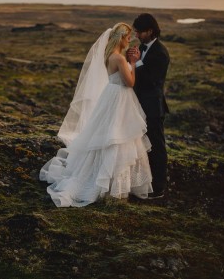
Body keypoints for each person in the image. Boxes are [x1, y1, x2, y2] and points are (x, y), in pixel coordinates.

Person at [40, 23, 153, 207]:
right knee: (117, 137)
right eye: (127, 38)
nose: (129, 41)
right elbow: (130, 82)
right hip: (119, 99)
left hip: (110, 96)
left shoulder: (108, 56)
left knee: (107, 135)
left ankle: (105, 178)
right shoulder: (119, 58)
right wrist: (133, 62)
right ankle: (109, 185)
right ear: (121, 38)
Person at [127, 13, 170, 199]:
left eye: (139, 31)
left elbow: (152, 81)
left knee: (157, 147)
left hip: (153, 108)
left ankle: (158, 187)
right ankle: (143, 183)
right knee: (141, 146)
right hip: (139, 106)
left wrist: (137, 63)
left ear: (150, 31)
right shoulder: (141, 48)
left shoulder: (160, 53)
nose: (136, 34)